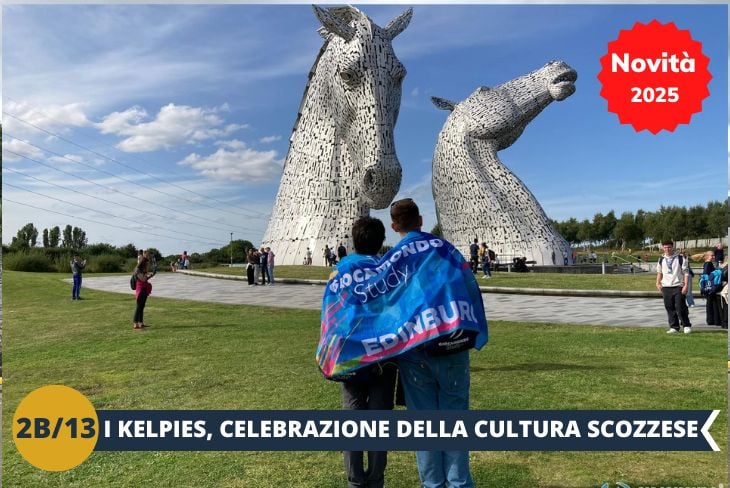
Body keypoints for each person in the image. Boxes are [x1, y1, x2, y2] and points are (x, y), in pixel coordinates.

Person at [390, 198, 478, 488]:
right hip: (452, 346)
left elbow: (385, 305)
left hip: (415, 352)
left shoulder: (394, 259)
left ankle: (433, 485)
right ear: (421, 220)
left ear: (394, 226)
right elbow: (470, 288)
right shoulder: (446, 250)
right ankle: (459, 483)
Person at [335, 217, 397, 488]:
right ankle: (376, 480)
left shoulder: (340, 271)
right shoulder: (389, 269)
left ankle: (355, 481)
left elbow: (332, 314)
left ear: (354, 239)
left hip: (351, 357)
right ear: (381, 242)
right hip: (384, 357)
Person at [656, 240, 691, 334]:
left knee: (680, 307)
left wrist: (686, 285)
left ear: (672, 247)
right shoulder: (661, 259)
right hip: (666, 286)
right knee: (669, 307)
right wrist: (658, 283)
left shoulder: (680, 258)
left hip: (678, 286)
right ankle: (674, 327)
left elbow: (686, 273)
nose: (667, 249)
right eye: (665, 247)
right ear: (662, 248)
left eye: (669, 247)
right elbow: (659, 272)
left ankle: (686, 325)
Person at [133, 256, 155, 330]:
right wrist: (149, 275)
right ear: (143, 263)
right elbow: (143, 279)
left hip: (144, 289)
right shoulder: (137, 269)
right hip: (140, 290)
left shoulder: (142, 269)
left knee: (142, 307)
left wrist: (151, 275)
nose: (147, 265)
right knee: (138, 307)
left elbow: (145, 278)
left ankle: (141, 323)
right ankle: (135, 323)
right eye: (146, 263)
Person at [702, 250, 721, 325]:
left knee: (711, 303)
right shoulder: (708, 264)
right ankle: (711, 320)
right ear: (707, 256)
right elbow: (707, 275)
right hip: (710, 286)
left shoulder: (708, 263)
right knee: (711, 303)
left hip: (708, 286)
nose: (713, 257)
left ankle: (712, 320)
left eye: (713, 255)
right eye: (711, 255)